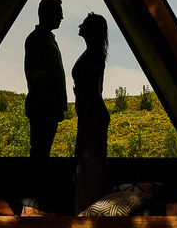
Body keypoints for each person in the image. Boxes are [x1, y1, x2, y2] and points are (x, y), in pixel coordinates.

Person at [22, 0, 65, 216]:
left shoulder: (44, 39)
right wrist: (50, 104)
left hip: (46, 108)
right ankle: (30, 204)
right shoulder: (38, 39)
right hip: (43, 109)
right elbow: (37, 76)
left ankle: (33, 204)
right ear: (46, 13)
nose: (62, 16)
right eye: (58, 12)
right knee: (39, 155)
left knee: (40, 155)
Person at [73, 12, 110, 214]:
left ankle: (89, 211)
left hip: (92, 115)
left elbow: (93, 91)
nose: (79, 25)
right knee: (89, 165)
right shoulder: (91, 53)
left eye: (84, 24)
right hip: (91, 113)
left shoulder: (93, 55)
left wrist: (84, 117)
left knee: (89, 165)